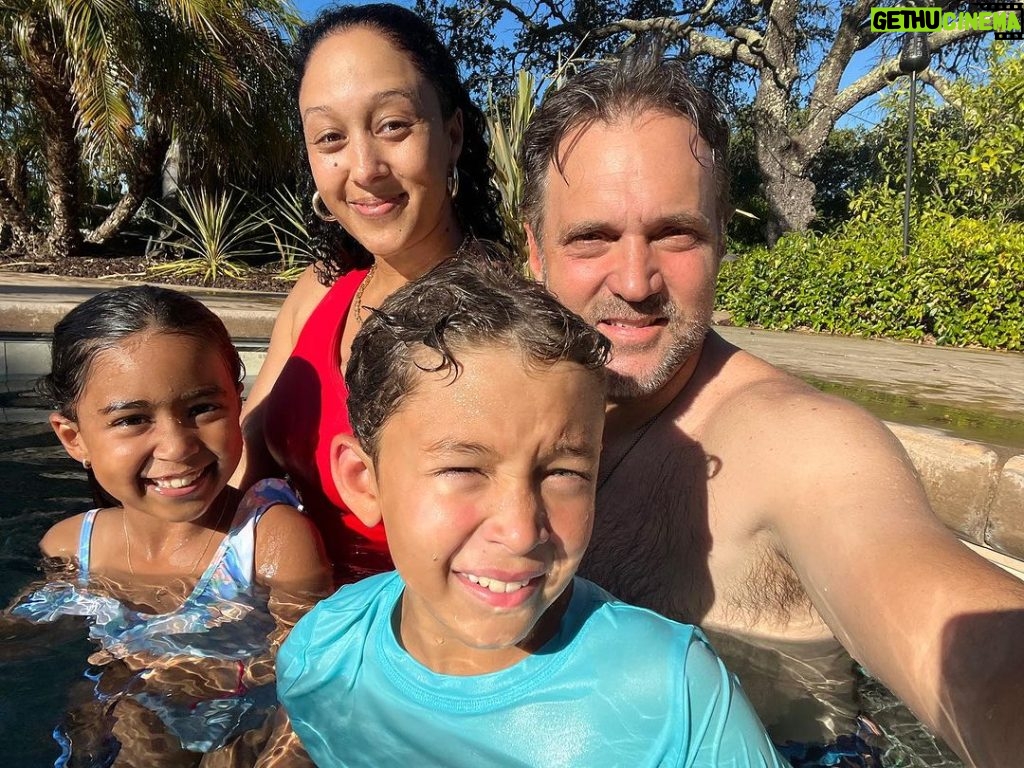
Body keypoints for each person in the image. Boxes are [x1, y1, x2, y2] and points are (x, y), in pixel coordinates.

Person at [520, 43, 1024, 768]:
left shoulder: (800, 443)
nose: (634, 280)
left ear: (723, 239)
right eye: (592, 237)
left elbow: (966, 642)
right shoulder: (514, 411)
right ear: (534, 251)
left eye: (675, 233)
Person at [276, 256, 788, 767]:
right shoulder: (321, 657)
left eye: (563, 473)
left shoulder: (675, 699)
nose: (522, 532)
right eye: (463, 470)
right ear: (363, 483)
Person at [235, 3, 511, 581]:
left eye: (392, 125)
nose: (363, 168)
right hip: (279, 608)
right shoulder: (321, 289)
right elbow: (247, 461)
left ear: (453, 134)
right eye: (331, 137)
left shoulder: (506, 325)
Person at [8, 285, 331, 764]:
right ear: (74, 438)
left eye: (202, 408)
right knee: (119, 717)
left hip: (243, 728)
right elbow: (32, 629)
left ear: (236, 404)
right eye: (133, 419)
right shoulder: (73, 544)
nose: (177, 446)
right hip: (129, 717)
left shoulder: (270, 541)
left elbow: (313, 678)